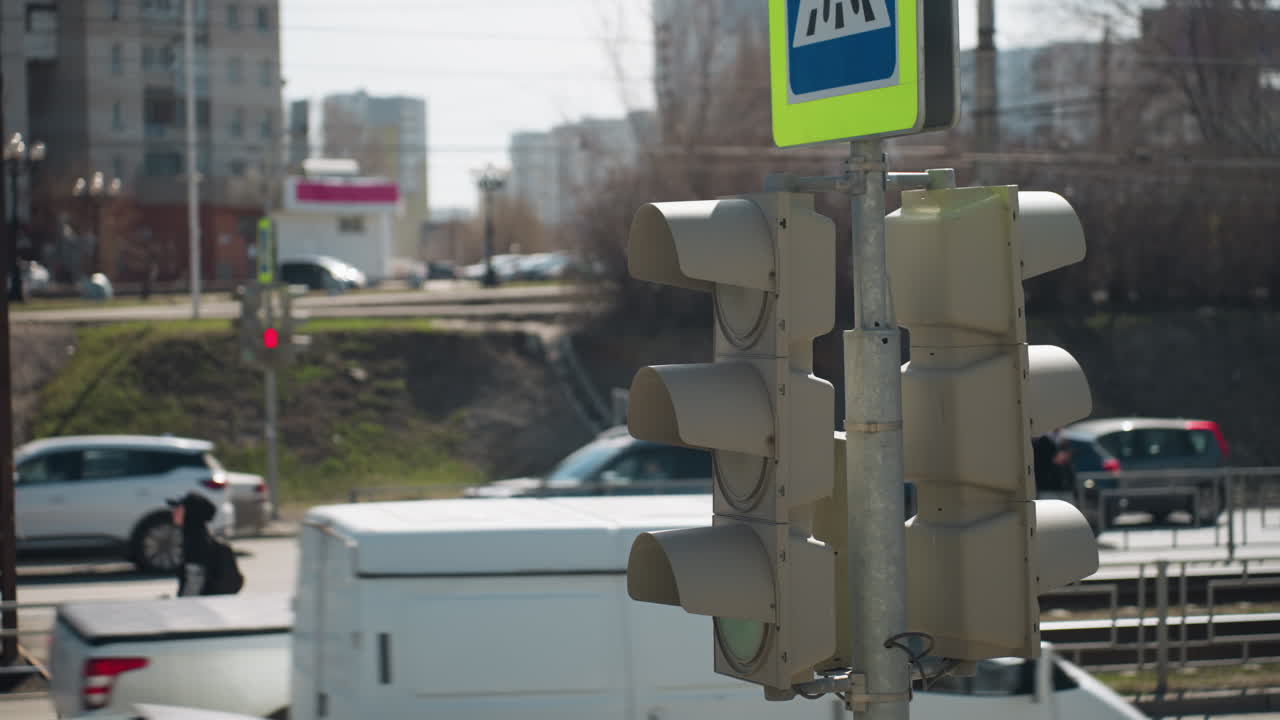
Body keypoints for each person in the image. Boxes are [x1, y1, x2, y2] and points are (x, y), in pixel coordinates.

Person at [168, 492, 242, 596]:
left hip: (200, 602)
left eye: (179, 509)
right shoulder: (196, 534)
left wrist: (182, 606)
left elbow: (194, 582)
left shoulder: (195, 541)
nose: (174, 512)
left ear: (190, 513)